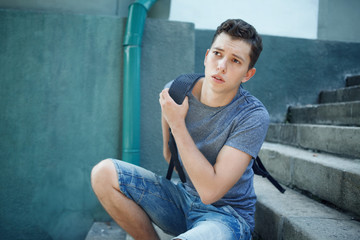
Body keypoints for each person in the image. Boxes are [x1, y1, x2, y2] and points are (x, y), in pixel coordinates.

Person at [91, 18, 269, 240]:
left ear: (247, 74)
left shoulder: (252, 116)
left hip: (227, 217)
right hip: (182, 201)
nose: (221, 66)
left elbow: (210, 192)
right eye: (217, 54)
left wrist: (177, 124)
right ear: (206, 56)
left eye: (235, 61)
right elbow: (171, 158)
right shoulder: (177, 91)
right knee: (103, 173)